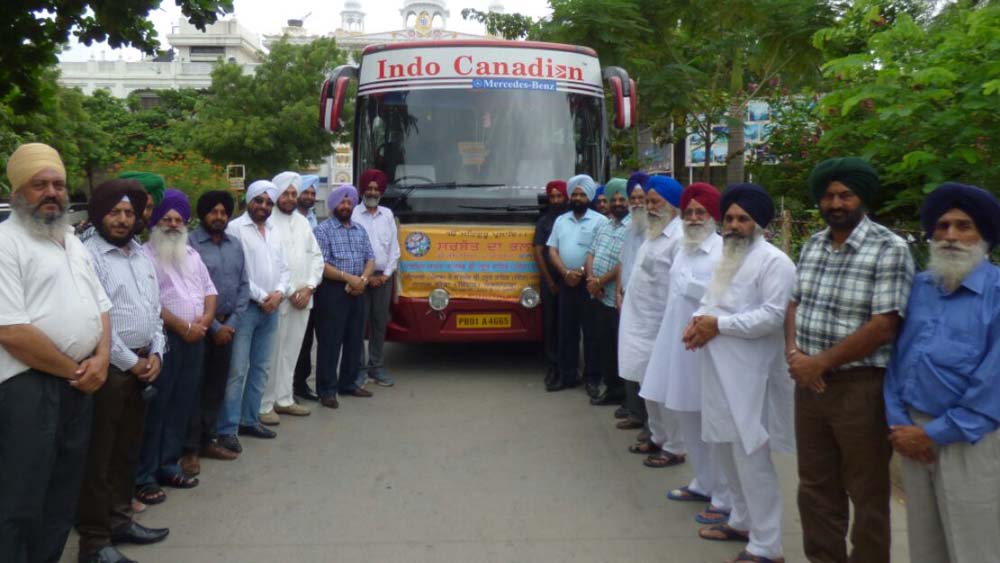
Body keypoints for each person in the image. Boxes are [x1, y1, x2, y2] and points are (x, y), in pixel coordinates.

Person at [786, 157, 914, 563]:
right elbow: (794, 304)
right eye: (828, 195)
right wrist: (794, 354)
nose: (836, 203)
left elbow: (884, 325)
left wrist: (820, 362)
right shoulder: (813, 245)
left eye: (846, 195)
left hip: (861, 388)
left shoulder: (889, 248)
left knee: (867, 491)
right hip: (809, 386)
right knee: (815, 488)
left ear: (862, 197)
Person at [0, 143, 112, 563]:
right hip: (28, 387)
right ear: (17, 192)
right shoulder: (5, 243)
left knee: (62, 494)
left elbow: (102, 307)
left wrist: (101, 359)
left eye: (58, 184)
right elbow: (11, 331)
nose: (51, 192)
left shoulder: (72, 241)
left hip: (79, 384)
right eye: (39, 184)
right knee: (21, 500)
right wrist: (78, 371)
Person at [884, 183, 1000, 562]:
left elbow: (993, 386)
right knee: (925, 544)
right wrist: (899, 424)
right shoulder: (919, 287)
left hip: (971, 439)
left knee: (974, 546)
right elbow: (896, 361)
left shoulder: (996, 294)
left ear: (984, 235)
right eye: (943, 226)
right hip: (911, 433)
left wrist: (931, 434)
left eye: (964, 226)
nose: (950, 235)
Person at [686, 183, 796, 563]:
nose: (733, 225)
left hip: (754, 378)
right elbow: (709, 300)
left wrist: (717, 325)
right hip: (719, 371)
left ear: (759, 224)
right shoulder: (727, 256)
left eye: (742, 219)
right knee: (725, 450)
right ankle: (742, 520)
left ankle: (767, 546)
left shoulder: (775, 262)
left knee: (752, 459)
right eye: (729, 218)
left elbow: (773, 316)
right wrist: (696, 322)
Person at [77, 179, 170, 562]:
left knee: (127, 451)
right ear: (100, 213)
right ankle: (94, 542)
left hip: (144, 364)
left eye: (129, 213)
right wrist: (132, 363)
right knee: (99, 458)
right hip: (111, 369)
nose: (122, 219)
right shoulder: (88, 256)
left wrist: (157, 353)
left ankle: (119, 521)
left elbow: (155, 311)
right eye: (115, 212)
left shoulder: (141, 256)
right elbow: (97, 321)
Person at [642, 183, 730, 524]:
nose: (693, 218)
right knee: (686, 415)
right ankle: (702, 482)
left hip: (707, 349)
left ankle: (723, 496)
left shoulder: (722, 252)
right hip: (677, 345)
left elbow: (724, 299)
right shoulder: (684, 250)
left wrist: (696, 290)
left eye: (700, 213)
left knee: (711, 423)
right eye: (689, 212)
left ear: (713, 216)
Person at [136, 190, 217, 499]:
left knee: (182, 404)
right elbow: (151, 303)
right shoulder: (145, 257)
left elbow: (209, 291)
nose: (172, 224)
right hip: (165, 340)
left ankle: (169, 465)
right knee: (158, 407)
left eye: (178, 220)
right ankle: (145, 475)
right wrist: (184, 327)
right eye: (167, 219)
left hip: (196, 339)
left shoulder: (192, 255)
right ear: (155, 222)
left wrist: (204, 322)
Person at [618, 175, 686, 467]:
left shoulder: (680, 238)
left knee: (664, 390)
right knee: (648, 387)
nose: (649, 207)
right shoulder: (653, 233)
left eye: (655, 202)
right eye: (647, 201)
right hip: (641, 325)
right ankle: (657, 437)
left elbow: (678, 287)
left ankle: (675, 447)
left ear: (672, 205)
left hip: (662, 326)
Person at [219, 181, 290, 449]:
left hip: (271, 308)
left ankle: (249, 419)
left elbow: (285, 269)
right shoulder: (235, 229)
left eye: (269, 202)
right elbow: (237, 272)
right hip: (244, 308)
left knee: (261, 367)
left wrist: (279, 293)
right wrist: (263, 297)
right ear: (248, 200)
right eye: (259, 200)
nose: (264, 206)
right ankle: (227, 428)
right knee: (237, 370)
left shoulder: (273, 230)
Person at [184, 191, 250, 466]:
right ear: (203, 214)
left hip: (227, 328)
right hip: (199, 328)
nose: (219, 217)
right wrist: (214, 326)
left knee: (216, 387)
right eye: (214, 212)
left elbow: (244, 286)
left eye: (224, 212)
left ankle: (207, 441)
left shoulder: (235, 244)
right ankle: (189, 449)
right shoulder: (190, 244)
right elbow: (189, 290)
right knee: (194, 388)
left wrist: (230, 325)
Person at [259, 172, 324, 424]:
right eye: (285, 193)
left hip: (304, 298)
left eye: (293, 194)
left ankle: (284, 399)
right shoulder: (268, 222)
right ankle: (264, 405)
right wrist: (289, 291)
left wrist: (309, 287)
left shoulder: (303, 222)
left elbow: (316, 257)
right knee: (272, 353)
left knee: (291, 351)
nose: (289, 198)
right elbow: (271, 263)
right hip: (280, 298)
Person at [312, 184, 376, 409]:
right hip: (332, 291)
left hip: (358, 289)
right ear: (333, 205)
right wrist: (348, 278)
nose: (346, 205)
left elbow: (370, 258)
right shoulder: (323, 230)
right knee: (330, 342)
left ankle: (348, 383)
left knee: (354, 339)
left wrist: (363, 280)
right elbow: (321, 264)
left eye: (349, 202)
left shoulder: (360, 230)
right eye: (342, 201)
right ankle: (327, 390)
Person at [545, 174, 608, 394]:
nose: (578, 198)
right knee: (567, 331)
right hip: (566, 282)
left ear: (589, 197)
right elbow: (552, 250)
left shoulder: (600, 221)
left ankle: (592, 378)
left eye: (582, 195)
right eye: (575, 194)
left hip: (589, 283)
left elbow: (599, 252)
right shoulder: (561, 220)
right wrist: (565, 273)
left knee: (591, 333)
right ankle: (568, 376)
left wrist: (580, 272)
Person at [352, 168, 401, 387]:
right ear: (363, 190)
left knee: (379, 323)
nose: (372, 192)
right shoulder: (353, 214)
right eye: (369, 188)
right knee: (358, 324)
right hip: (359, 278)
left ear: (381, 191)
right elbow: (351, 249)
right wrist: (364, 278)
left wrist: (386, 275)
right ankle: (358, 370)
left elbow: (394, 250)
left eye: (376, 189)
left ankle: (376, 367)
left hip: (383, 278)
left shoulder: (387, 215)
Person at [584, 178, 629, 406]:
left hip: (615, 299)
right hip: (599, 296)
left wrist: (600, 281)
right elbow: (591, 253)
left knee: (619, 348)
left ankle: (624, 397)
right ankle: (612, 390)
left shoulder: (633, 228)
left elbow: (624, 263)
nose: (617, 203)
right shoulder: (605, 224)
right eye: (614, 199)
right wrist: (592, 280)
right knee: (605, 347)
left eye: (622, 199)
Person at [615, 171, 649, 426]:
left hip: (645, 306)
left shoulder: (654, 230)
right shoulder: (630, 228)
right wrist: (618, 291)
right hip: (626, 299)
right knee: (627, 355)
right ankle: (634, 412)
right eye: (633, 199)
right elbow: (623, 262)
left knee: (643, 361)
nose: (636, 203)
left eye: (641, 198)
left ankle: (647, 421)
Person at [533, 180, 568, 387]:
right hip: (551, 281)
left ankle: (569, 367)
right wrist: (549, 281)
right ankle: (553, 367)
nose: (555, 200)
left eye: (559, 196)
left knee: (569, 325)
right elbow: (538, 252)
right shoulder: (544, 222)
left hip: (572, 280)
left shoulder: (572, 219)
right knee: (551, 325)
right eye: (552, 197)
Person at [293, 174, 321, 400]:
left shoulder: (312, 219)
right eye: (306, 192)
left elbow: (316, 255)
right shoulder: (286, 217)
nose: (310, 196)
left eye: (313, 193)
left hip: (310, 288)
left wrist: (311, 286)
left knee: (306, 340)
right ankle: (283, 388)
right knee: (288, 343)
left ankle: (300, 384)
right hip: (289, 292)